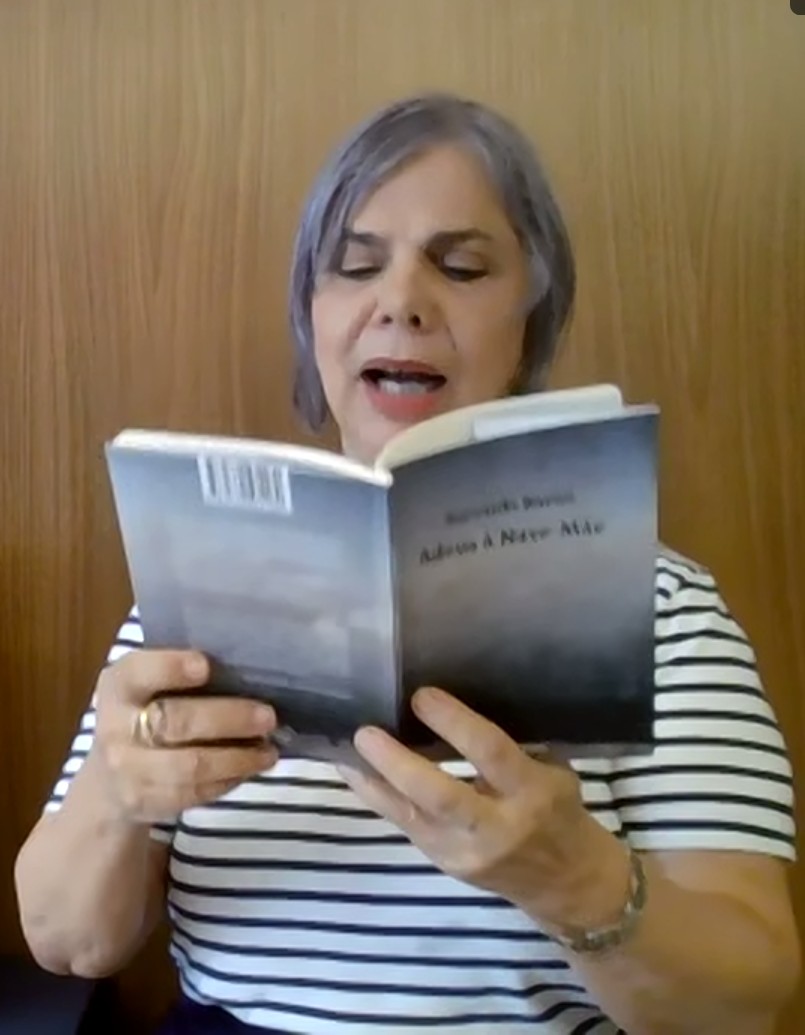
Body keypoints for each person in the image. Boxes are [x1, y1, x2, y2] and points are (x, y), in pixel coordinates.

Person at [15, 93, 800, 1035]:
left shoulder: (663, 606)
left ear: (531, 316)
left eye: (460, 266)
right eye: (356, 266)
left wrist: (578, 881)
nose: (401, 302)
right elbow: (68, 944)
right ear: (312, 318)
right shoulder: (192, 596)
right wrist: (114, 792)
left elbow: (743, 1004)